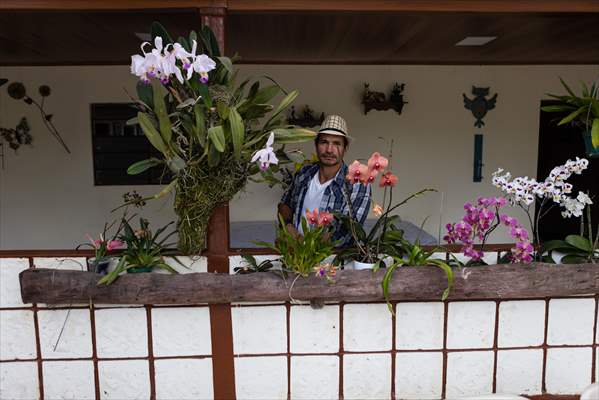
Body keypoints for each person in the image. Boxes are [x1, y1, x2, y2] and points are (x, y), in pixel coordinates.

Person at [278, 115, 371, 246]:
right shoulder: (304, 173)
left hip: (331, 261)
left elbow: (348, 233)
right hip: (296, 256)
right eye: (324, 142)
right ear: (316, 145)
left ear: (345, 148)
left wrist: (306, 248)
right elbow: (284, 204)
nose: (329, 150)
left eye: (337, 143)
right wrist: (287, 226)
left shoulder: (356, 183)